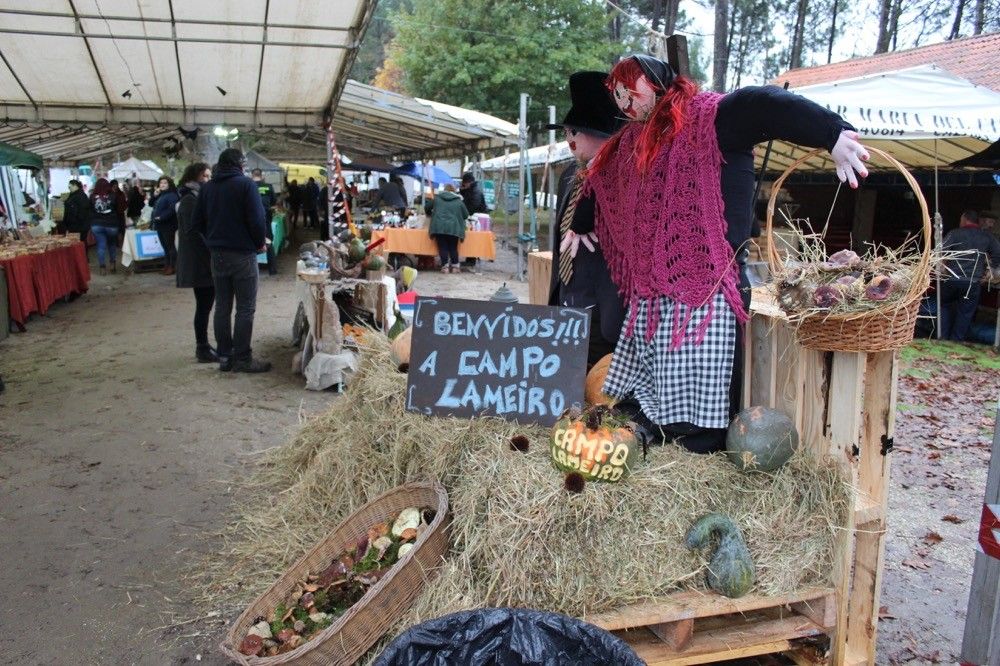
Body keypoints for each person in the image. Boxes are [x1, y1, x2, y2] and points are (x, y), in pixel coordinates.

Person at [585, 54, 868, 454]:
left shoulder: (710, 118)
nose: (625, 103)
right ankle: (653, 425)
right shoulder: (633, 143)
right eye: (617, 95)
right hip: (656, 281)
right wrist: (581, 223)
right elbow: (600, 176)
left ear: (657, 82)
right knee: (655, 365)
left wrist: (831, 133)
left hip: (710, 278)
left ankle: (693, 440)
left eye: (632, 90)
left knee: (699, 365)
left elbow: (763, 104)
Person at [546, 71, 626, 367]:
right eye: (566, 131)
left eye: (574, 131)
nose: (568, 139)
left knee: (597, 394)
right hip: (567, 302)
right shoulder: (570, 175)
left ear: (598, 132)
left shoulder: (624, 178)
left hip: (603, 314)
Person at [193, 148, 271, 373]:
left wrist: (212, 241)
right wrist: (259, 243)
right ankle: (243, 358)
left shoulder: (207, 188)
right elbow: (257, 219)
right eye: (244, 163)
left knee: (222, 306)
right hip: (243, 253)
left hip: (217, 255)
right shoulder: (246, 185)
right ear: (239, 164)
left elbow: (196, 223)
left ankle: (225, 356)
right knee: (245, 308)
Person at [176, 162, 218, 363]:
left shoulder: (196, 197)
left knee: (205, 304)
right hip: (199, 262)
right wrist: (210, 256)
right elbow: (194, 234)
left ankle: (204, 346)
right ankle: (202, 347)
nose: (209, 180)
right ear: (197, 177)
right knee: (204, 305)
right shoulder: (189, 199)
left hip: (201, 260)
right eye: (206, 176)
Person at [939, 210, 1000, 342]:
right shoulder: (986, 237)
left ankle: (942, 338)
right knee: (965, 314)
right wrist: (991, 270)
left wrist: (942, 268)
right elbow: (998, 253)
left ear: (965, 220)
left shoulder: (954, 233)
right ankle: (956, 341)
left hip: (951, 279)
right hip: (972, 282)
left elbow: (940, 252)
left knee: (945, 306)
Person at [425, 183, 469, 273]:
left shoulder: (437, 198)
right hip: (454, 227)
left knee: (442, 247)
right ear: (453, 191)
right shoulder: (458, 201)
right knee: (453, 247)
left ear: (444, 190)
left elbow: (427, 207)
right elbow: (466, 215)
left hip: (439, 226)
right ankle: (455, 267)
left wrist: (430, 214)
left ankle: (444, 267)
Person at [89, 178, 121, 275]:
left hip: (97, 224)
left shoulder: (92, 197)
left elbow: (90, 210)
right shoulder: (113, 196)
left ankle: (102, 268)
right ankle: (112, 265)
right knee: (111, 245)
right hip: (111, 224)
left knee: (101, 246)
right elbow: (118, 210)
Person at [251, 168, 278, 276]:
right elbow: (273, 201)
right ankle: (272, 269)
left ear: (252, 175)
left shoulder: (249, 186)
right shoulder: (268, 186)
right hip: (265, 217)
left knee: (251, 243)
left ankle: (254, 269)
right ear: (261, 176)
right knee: (268, 242)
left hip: (251, 218)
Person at [151, 176, 180, 275]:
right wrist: (154, 195)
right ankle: (167, 265)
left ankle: (173, 266)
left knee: (170, 246)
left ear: (169, 184)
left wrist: (161, 217)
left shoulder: (172, 195)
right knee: (165, 247)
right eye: (161, 183)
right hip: (160, 225)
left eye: (165, 183)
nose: (162, 185)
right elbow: (151, 204)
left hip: (168, 225)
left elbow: (172, 209)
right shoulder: (161, 195)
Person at [63, 179, 90, 244]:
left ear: (75, 186)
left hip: (79, 226)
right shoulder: (73, 195)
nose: (69, 189)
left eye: (70, 187)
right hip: (75, 226)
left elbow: (83, 212)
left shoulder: (81, 196)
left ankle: (82, 254)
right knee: (77, 244)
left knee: (80, 244)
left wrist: (74, 223)